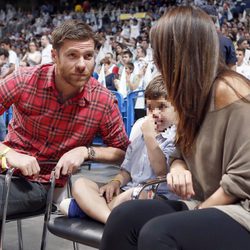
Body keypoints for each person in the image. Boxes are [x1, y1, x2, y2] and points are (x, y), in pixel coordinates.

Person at [100, 6, 250, 250]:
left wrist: (197, 212)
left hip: (242, 211)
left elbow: (241, 183)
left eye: (161, 52)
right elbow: (180, 153)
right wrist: (179, 167)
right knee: (123, 218)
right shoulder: (191, 97)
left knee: (158, 234)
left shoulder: (232, 92)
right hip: (211, 203)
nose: (158, 61)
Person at [0, 19, 129, 218]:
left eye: (88, 56)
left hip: (40, 183)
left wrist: (85, 151)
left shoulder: (102, 100)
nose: (81, 65)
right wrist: (8, 153)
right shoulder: (25, 79)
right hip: (6, 170)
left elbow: (121, 151)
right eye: (72, 55)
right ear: (55, 56)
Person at [59, 75, 178, 224]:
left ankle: (88, 209)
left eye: (161, 107)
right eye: (149, 107)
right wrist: (115, 182)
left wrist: (150, 135)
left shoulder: (175, 137)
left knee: (133, 195)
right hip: (127, 192)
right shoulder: (139, 133)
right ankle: (109, 220)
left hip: (155, 197)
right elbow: (126, 171)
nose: (154, 113)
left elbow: (161, 171)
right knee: (81, 183)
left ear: (178, 108)